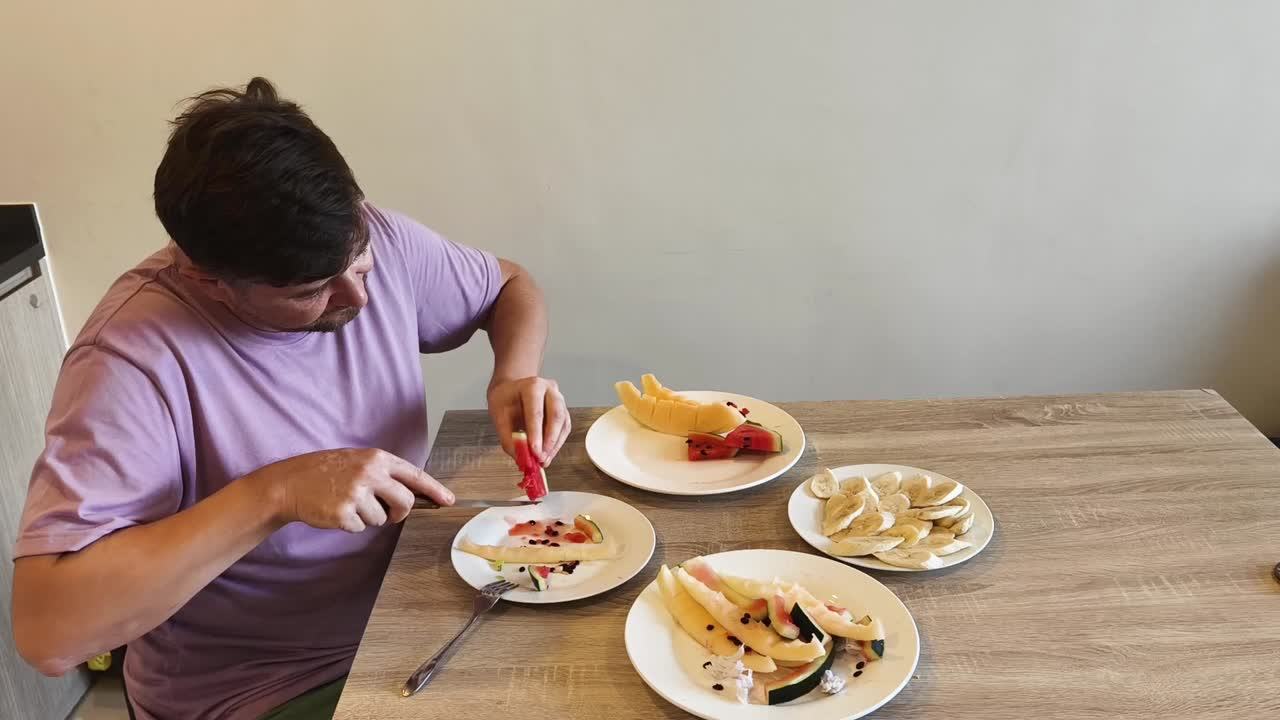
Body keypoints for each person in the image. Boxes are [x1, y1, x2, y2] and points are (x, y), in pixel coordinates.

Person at [10, 76, 569, 719]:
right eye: (312, 291)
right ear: (207, 278)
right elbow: (48, 633)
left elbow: (509, 286)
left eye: (359, 268)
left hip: (409, 614)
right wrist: (275, 493)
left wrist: (512, 375)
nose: (360, 300)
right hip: (259, 688)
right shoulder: (128, 361)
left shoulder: (372, 239)